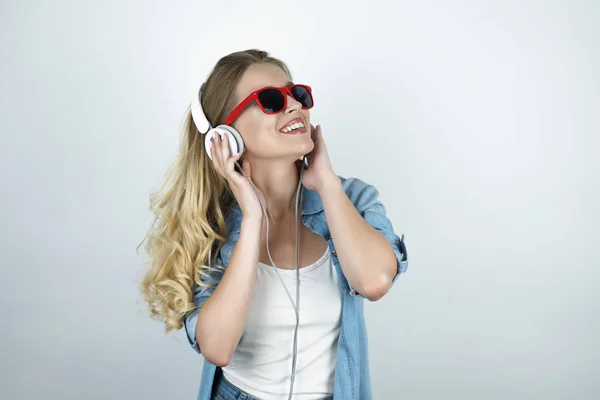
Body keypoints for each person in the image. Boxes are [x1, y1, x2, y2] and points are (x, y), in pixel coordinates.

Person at [138, 49, 409, 400]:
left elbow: (374, 282)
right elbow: (217, 349)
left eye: (295, 94)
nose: (294, 105)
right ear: (224, 136)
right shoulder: (210, 223)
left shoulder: (353, 199)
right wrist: (252, 218)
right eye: (269, 100)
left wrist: (326, 182)